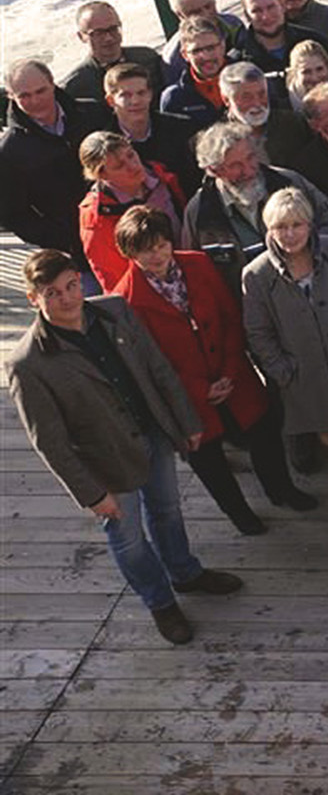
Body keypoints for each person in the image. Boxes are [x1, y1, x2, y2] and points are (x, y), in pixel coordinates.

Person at [9, 248, 246, 644]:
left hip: (152, 433)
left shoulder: (115, 311)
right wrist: (92, 494)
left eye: (71, 286)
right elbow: (49, 441)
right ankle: (161, 603)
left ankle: (185, 573)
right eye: (52, 293)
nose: (66, 299)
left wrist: (186, 421)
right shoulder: (28, 364)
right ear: (34, 299)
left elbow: (158, 368)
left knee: (168, 512)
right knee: (129, 538)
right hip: (106, 463)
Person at [111, 206, 317, 527]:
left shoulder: (198, 263)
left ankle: (281, 490)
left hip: (232, 373)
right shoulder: (125, 299)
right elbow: (149, 362)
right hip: (185, 394)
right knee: (208, 458)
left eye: (162, 245)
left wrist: (229, 371)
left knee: (264, 433)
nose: (157, 255)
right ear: (129, 253)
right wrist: (199, 389)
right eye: (145, 250)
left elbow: (231, 316)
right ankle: (239, 513)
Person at [242, 187, 328, 492]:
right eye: (280, 227)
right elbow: (258, 333)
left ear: (309, 224)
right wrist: (284, 371)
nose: (290, 234)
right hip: (305, 375)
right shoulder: (256, 274)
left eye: (297, 225)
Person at [180, 123, 328, 292]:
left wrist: (308, 257)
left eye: (250, 158)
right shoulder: (200, 212)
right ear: (214, 170)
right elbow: (195, 272)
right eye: (235, 165)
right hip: (249, 307)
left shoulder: (289, 183)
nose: (249, 171)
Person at [3, 59, 110, 258]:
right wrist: (64, 240)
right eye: (24, 96)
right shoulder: (9, 151)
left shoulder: (93, 114)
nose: (35, 101)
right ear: (11, 96)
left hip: (125, 225)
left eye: (41, 91)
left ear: (53, 83)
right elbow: (14, 214)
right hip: (79, 249)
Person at [76, 130, 187, 291]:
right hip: (149, 292)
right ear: (102, 175)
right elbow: (114, 277)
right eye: (120, 166)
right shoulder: (96, 216)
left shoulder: (161, 176)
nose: (133, 166)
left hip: (188, 270)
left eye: (131, 155)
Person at [230, 0, 328, 102]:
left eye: (271, 7)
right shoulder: (238, 63)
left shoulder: (315, 41)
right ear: (247, 16)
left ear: (283, 6)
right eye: (257, 10)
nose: (266, 16)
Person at [102, 62, 199, 187]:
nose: (135, 101)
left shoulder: (183, 129)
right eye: (126, 95)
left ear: (150, 94)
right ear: (111, 100)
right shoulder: (105, 146)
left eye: (141, 93)